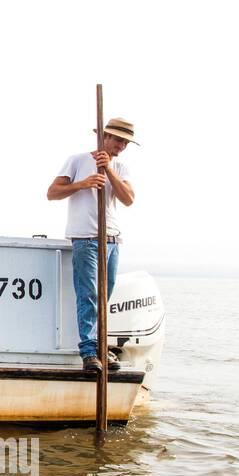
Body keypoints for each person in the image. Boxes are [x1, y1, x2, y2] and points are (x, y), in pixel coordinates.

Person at [46, 117, 139, 372]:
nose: (122, 145)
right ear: (104, 136)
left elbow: (129, 199)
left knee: (103, 296)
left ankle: (100, 347)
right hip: (86, 238)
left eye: (125, 142)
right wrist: (82, 184)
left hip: (112, 240)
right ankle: (89, 352)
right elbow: (52, 192)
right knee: (89, 294)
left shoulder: (120, 167)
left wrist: (108, 169)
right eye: (118, 139)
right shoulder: (77, 160)